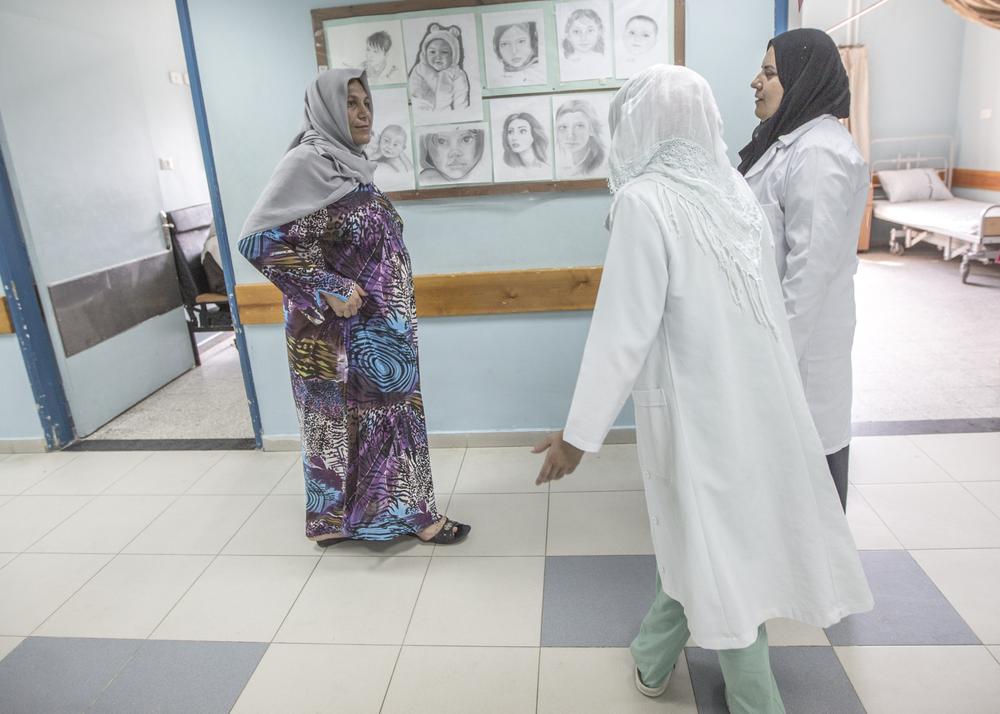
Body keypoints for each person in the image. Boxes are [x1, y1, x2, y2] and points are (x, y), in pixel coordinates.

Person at [533, 65, 872, 709]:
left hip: (701, 411)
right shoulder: (733, 190)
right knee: (714, 534)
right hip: (756, 400)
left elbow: (621, 333)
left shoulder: (643, 202)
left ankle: (751, 697)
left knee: (721, 548)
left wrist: (576, 438)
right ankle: (652, 655)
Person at [238, 69, 470, 546]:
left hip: (379, 330)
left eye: (366, 103)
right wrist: (328, 285)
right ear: (325, 109)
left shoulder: (351, 167)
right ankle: (409, 518)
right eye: (350, 103)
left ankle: (348, 522)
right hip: (341, 334)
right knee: (344, 424)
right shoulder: (308, 162)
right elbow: (258, 241)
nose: (363, 113)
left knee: (376, 422)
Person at [740, 28, 869, 512]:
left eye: (770, 72)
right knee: (784, 490)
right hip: (776, 338)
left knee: (812, 490)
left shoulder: (820, 153)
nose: (756, 82)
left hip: (801, 352)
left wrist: (775, 364)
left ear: (803, 78)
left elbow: (809, 273)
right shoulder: (787, 144)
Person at [408, 23, 470, 112]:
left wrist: (460, 113)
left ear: (454, 55)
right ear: (425, 53)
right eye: (432, 52)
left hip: (448, 113)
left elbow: (461, 95)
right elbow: (414, 90)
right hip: (423, 110)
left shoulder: (457, 74)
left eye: (444, 52)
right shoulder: (420, 70)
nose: (438, 56)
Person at [554, 99, 606, 177]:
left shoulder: (601, 168)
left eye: (579, 126)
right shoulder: (560, 167)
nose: (570, 135)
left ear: (591, 129)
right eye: (563, 127)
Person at [418, 126, 485, 183]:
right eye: (442, 141)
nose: (454, 153)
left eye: (466, 139)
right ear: (427, 145)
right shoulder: (424, 180)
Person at [561, 8, 608, 79]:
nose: (583, 38)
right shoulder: (565, 63)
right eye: (576, 31)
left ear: (599, 33)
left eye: (590, 31)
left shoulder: (602, 60)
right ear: (568, 35)